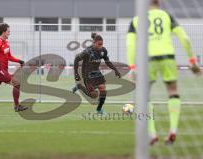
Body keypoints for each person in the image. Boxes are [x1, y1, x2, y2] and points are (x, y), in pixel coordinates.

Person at [126, 0, 201, 145]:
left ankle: (152, 134)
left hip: (148, 59)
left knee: (144, 95)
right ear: (159, 2)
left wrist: (132, 68)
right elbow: (185, 38)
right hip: (168, 57)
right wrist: (192, 61)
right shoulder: (167, 16)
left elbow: (130, 44)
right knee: (172, 91)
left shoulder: (136, 19)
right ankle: (173, 130)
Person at [72, 33, 121, 114]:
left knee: (103, 89)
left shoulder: (103, 51)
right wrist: (76, 74)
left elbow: (107, 62)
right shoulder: (87, 52)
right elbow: (76, 59)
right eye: (99, 44)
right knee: (94, 95)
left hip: (96, 73)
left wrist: (115, 70)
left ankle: (99, 109)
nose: (101, 46)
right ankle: (79, 86)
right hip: (87, 74)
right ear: (94, 43)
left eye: (102, 44)